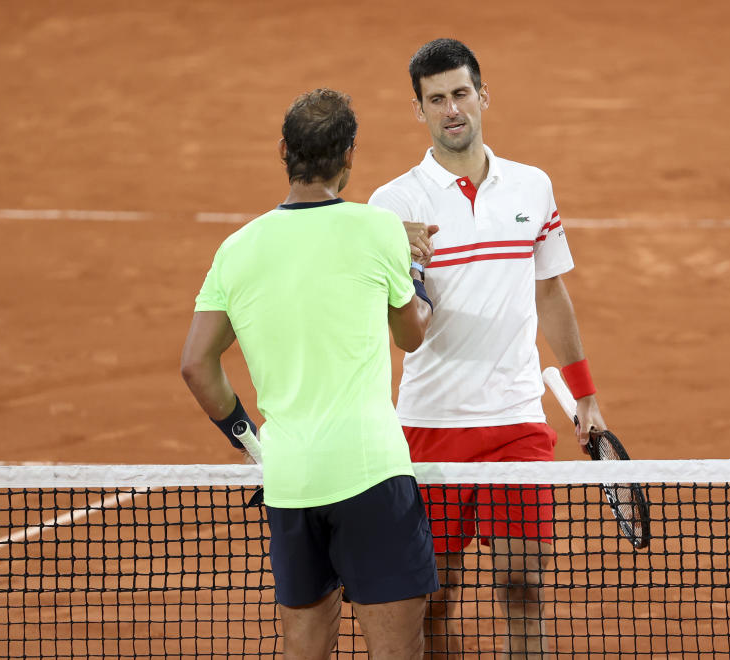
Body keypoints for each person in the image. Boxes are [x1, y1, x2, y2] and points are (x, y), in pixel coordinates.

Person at [368, 39, 609, 658]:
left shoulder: (532, 187)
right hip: (428, 425)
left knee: (524, 588)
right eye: (436, 99)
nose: (452, 109)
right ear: (418, 110)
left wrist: (586, 399)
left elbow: (551, 294)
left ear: (483, 95)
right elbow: (396, 322)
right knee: (436, 597)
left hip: (515, 421)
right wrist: (400, 259)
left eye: (461, 93)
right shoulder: (392, 207)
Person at [181, 88, 438, 660]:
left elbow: (197, 365)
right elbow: (411, 335)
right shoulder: (379, 230)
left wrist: (255, 446)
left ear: (283, 151)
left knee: (304, 648)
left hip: (290, 480)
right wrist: (416, 266)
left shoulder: (236, 249)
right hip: (371, 473)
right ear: (349, 156)